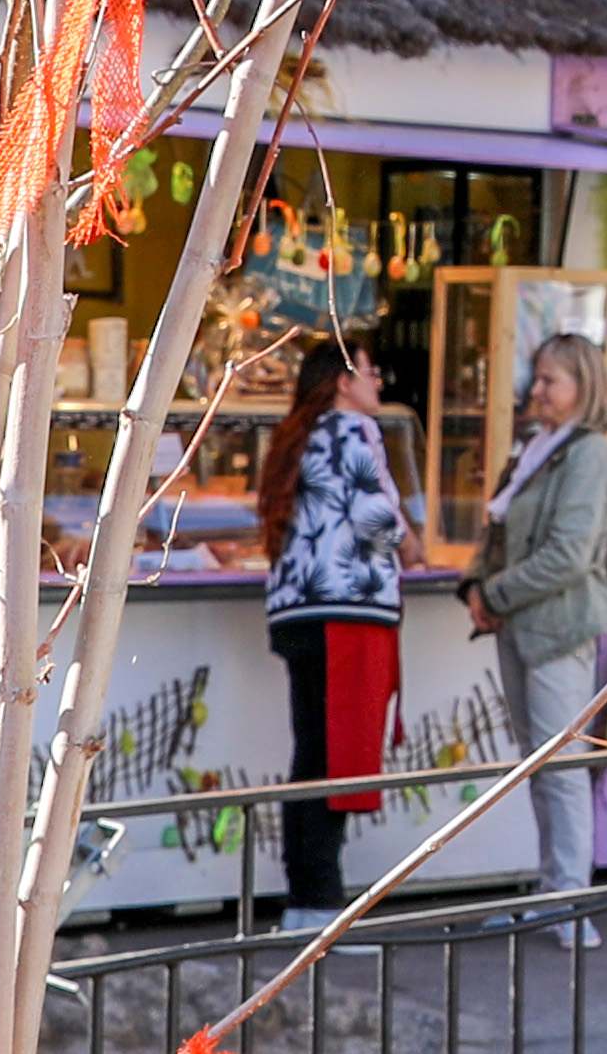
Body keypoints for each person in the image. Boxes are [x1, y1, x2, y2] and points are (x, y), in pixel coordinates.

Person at [472, 331, 607, 928]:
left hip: (557, 627)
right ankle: (549, 892)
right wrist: (476, 586)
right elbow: (503, 528)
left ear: (582, 387)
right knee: (536, 765)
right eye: (536, 378)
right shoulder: (537, 446)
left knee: (560, 768)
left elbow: (570, 554)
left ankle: (569, 902)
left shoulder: (589, 454)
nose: (536, 391)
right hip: (519, 623)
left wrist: (494, 591)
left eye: (549, 380)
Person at [255, 338, 405, 928]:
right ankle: (317, 904)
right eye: (372, 371)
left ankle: (306, 896)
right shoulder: (351, 429)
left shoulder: (298, 434)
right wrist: (407, 547)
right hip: (346, 614)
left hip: (298, 612)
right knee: (335, 760)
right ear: (344, 380)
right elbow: (375, 521)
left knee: (310, 753)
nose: (378, 383)